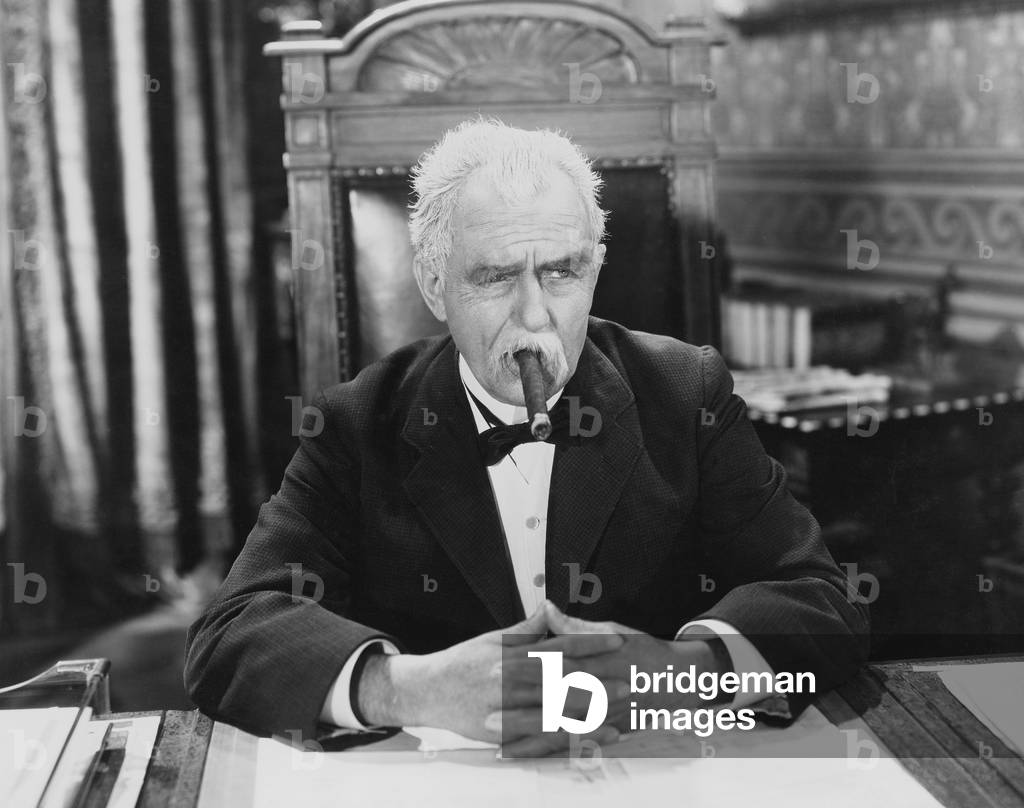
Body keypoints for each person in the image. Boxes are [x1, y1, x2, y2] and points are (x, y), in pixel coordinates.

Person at [184, 119, 869, 755]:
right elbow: (230, 636)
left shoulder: (688, 393)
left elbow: (818, 598)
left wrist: (681, 673)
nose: (535, 316)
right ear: (432, 284)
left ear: (595, 270)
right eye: (495, 277)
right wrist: (409, 687)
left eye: (561, 272)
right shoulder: (354, 425)